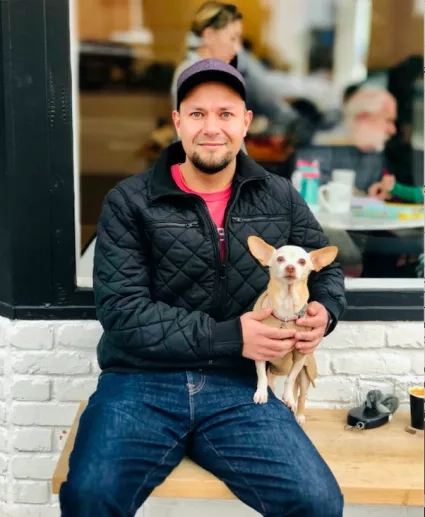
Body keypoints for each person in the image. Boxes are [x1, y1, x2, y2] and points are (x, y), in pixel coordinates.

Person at [59, 58, 346, 517]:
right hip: (140, 383)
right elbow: (121, 311)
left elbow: (326, 266)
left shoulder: (279, 196)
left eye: (226, 114)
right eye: (197, 114)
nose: (211, 127)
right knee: (90, 496)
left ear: (246, 122)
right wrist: (233, 335)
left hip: (239, 387)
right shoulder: (129, 201)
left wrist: (324, 313)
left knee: (317, 501)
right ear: (177, 122)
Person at [171, 1, 298, 136]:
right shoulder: (196, 75)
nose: (238, 48)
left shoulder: (214, 71)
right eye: (233, 38)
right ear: (209, 36)